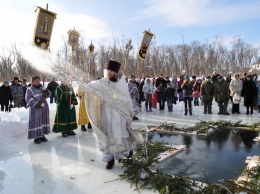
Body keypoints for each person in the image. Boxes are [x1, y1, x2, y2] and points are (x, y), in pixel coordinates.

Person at [85, 60, 143, 169]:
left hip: (119, 116)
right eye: (108, 71)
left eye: (111, 71)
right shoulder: (103, 82)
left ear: (116, 72)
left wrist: (128, 117)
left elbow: (127, 102)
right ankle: (110, 160)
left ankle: (127, 151)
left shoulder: (121, 84)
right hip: (106, 115)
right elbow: (92, 88)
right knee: (107, 137)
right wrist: (85, 86)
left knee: (121, 136)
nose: (108, 73)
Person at [25, 76, 51, 144]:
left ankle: (42, 135)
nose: (38, 82)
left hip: (44, 108)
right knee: (36, 122)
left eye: (39, 81)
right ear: (33, 82)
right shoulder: (29, 90)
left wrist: (46, 91)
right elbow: (29, 99)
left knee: (43, 121)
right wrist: (38, 104)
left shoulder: (41, 88)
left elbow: (48, 95)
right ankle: (36, 137)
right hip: (35, 109)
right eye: (36, 81)